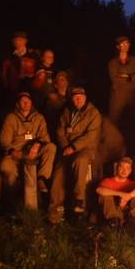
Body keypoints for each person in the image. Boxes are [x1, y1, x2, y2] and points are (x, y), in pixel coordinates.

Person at [51, 85, 102, 220]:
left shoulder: (93, 113)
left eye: (80, 97)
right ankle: (55, 208)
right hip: (67, 148)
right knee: (58, 171)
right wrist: (65, 146)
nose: (78, 100)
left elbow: (91, 136)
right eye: (75, 98)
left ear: (85, 98)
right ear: (72, 99)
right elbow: (60, 131)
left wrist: (73, 147)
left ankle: (78, 200)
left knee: (80, 161)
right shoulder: (67, 111)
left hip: (85, 148)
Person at [0, 90, 54, 205]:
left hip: (33, 151)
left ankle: (41, 179)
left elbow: (45, 137)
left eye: (27, 101)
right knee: (6, 168)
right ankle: (11, 205)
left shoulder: (39, 118)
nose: (25, 104)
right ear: (18, 104)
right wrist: (13, 151)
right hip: (16, 152)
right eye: (23, 101)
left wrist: (37, 144)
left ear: (31, 102)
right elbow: (4, 140)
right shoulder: (11, 118)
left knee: (51, 147)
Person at [96, 156, 135, 224]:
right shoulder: (108, 181)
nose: (124, 170)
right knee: (104, 195)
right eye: (121, 167)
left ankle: (133, 219)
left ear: (130, 171)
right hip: (114, 209)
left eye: (127, 168)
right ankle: (113, 221)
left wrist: (129, 195)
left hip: (127, 209)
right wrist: (121, 194)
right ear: (117, 168)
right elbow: (99, 190)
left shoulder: (131, 183)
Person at [0, 31, 38, 96]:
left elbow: (37, 72)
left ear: (25, 41)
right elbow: (4, 74)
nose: (17, 42)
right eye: (16, 40)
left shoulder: (33, 55)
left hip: (29, 91)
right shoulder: (9, 56)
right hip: (13, 91)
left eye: (20, 40)